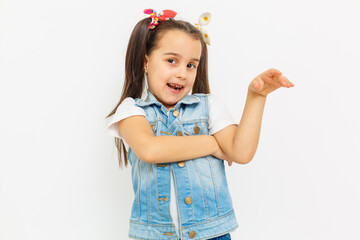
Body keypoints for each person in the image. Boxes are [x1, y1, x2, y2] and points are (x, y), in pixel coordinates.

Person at [106, 8, 294, 240]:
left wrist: (257, 97)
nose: (182, 74)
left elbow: (241, 152)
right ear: (146, 62)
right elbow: (150, 149)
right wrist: (213, 143)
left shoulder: (209, 107)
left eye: (191, 65)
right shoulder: (131, 110)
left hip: (212, 234)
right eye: (171, 61)